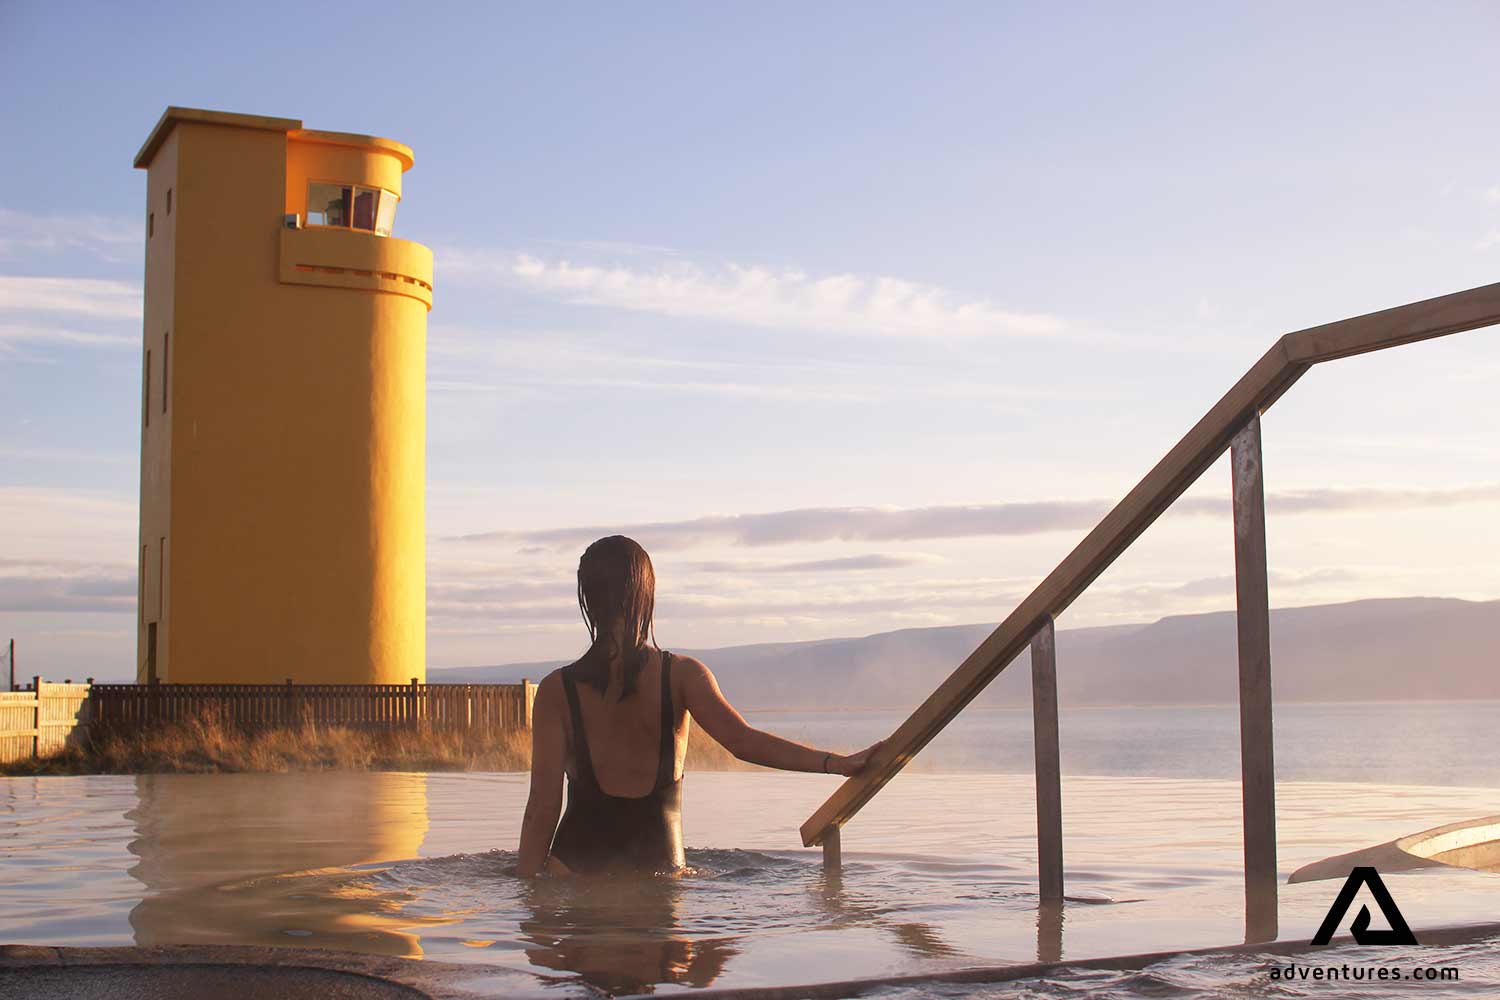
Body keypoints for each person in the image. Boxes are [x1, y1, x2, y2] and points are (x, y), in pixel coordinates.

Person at [516, 535, 883, 877]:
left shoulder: (556, 691)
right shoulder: (682, 676)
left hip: (575, 869)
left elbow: (541, 809)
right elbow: (744, 742)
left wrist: (527, 898)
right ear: (646, 595)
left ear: (587, 599)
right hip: (660, 872)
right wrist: (836, 764)